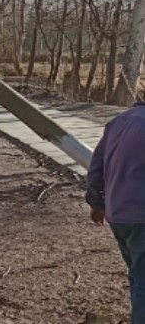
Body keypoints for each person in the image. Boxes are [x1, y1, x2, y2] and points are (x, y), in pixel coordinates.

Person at [87, 101, 145, 324]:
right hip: (141, 215)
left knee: (138, 276)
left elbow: (96, 167)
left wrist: (97, 204)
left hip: (118, 213)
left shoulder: (117, 122)